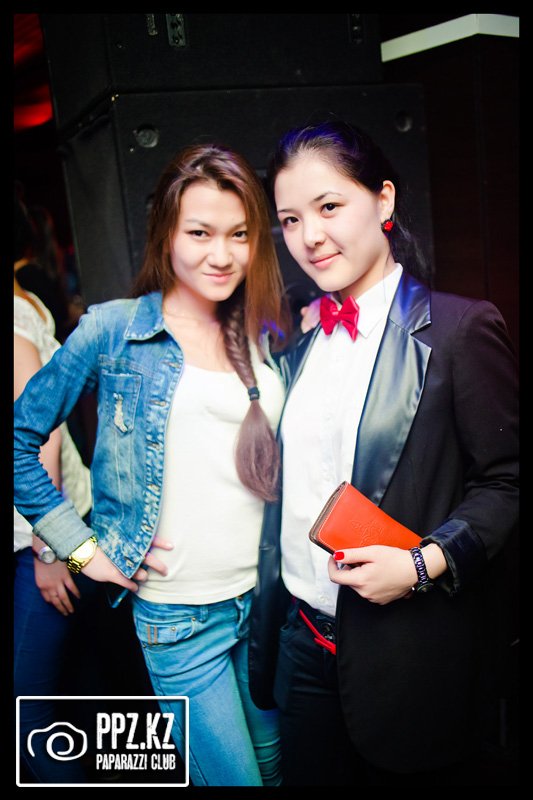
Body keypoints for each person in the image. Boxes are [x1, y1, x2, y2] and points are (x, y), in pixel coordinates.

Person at [248, 120, 519, 786]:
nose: (309, 236)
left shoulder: (458, 329)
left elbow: (507, 482)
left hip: (409, 654)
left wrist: (423, 564)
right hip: (303, 648)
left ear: (384, 200)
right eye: (290, 220)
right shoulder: (300, 339)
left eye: (329, 206)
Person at [14, 144, 291, 786]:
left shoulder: (261, 328)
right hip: (180, 617)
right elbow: (20, 439)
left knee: (277, 768)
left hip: (266, 602)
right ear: (166, 234)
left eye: (239, 234)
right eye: (200, 233)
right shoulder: (113, 331)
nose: (221, 254)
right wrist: (80, 551)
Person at [14, 193, 95, 782]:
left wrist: (50, 552)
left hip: (38, 543)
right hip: (42, 536)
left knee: (29, 707)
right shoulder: (26, 302)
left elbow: (37, 437)